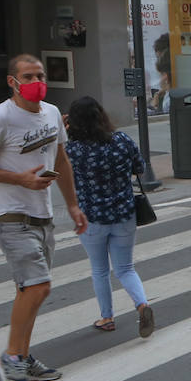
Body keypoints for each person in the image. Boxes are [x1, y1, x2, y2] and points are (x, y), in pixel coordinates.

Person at [0, 54, 88, 381]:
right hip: (9, 214)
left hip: (41, 214)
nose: (36, 82)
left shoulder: (50, 114)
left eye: (40, 74)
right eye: (28, 76)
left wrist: (73, 205)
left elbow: (61, 158)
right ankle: (11, 356)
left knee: (28, 289)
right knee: (38, 286)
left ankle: (24, 356)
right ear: (13, 82)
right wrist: (19, 180)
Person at [64, 96, 156, 338]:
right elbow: (140, 168)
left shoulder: (72, 150)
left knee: (100, 270)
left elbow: (56, 170)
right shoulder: (121, 140)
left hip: (91, 218)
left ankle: (107, 318)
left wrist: (62, 134)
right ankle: (142, 304)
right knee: (125, 268)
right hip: (124, 215)